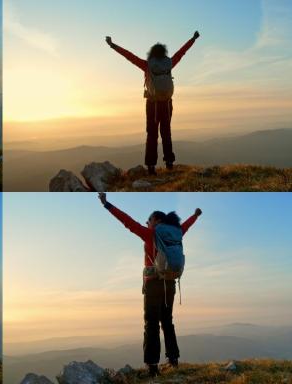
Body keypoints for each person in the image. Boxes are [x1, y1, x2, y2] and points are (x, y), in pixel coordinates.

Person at [98, 192, 201, 377]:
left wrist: (107, 205)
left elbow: (127, 221)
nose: (146, 223)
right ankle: (173, 360)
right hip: (170, 283)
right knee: (167, 322)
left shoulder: (150, 234)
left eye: (148, 220)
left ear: (155, 221)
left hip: (153, 284)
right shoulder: (176, 233)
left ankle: (152, 366)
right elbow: (186, 225)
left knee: (151, 324)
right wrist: (195, 215)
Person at [105, 31, 200, 175]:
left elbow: (129, 56)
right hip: (167, 104)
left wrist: (112, 45)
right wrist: (193, 39)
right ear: (163, 53)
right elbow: (182, 52)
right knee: (166, 133)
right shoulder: (169, 63)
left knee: (152, 135)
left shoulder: (147, 65)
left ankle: (151, 166)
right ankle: (169, 162)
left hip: (152, 104)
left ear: (152, 54)